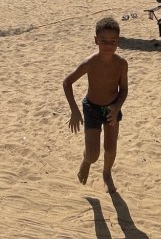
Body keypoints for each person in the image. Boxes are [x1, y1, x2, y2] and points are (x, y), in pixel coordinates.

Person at [63, 16, 129, 193]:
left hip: (111, 108)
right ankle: (86, 161)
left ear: (118, 41)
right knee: (93, 154)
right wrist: (74, 111)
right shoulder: (90, 63)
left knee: (110, 148)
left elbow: (124, 90)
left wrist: (117, 107)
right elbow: (67, 82)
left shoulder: (121, 64)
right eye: (103, 40)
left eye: (113, 41)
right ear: (96, 40)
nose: (108, 45)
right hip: (92, 108)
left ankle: (107, 174)